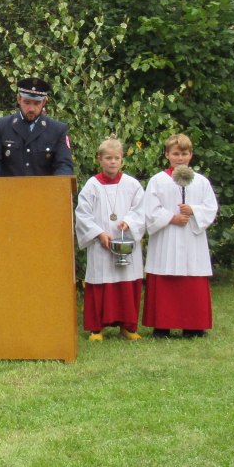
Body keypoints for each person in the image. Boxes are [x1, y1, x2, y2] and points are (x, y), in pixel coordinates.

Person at [141, 133, 219, 338]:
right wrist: (171, 218)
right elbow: (149, 210)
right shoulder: (157, 181)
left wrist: (193, 210)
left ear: (191, 155)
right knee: (164, 276)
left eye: (184, 154)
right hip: (166, 237)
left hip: (191, 240)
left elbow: (210, 207)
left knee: (192, 279)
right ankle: (162, 325)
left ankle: (193, 326)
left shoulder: (200, 182)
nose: (180, 158)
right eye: (176, 154)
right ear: (167, 154)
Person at [74, 138, 145, 341]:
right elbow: (83, 214)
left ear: (122, 160)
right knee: (100, 283)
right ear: (99, 159)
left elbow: (141, 209)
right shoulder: (92, 185)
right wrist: (98, 233)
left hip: (126, 241)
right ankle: (97, 328)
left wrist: (129, 222)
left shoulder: (132, 185)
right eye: (108, 158)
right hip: (101, 243)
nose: (112, 162)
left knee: (127, 282)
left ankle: (128, 326)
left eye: (117, 158)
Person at [0, 77, 74, 178]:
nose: (31, 108)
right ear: (19, 99)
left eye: (36, 103)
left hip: (44, 192)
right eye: (27, 102)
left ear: (44, 102)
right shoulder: (1, 126)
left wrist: (56, 189)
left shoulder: (57, 130)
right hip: (9, 191)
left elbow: (64, 165)